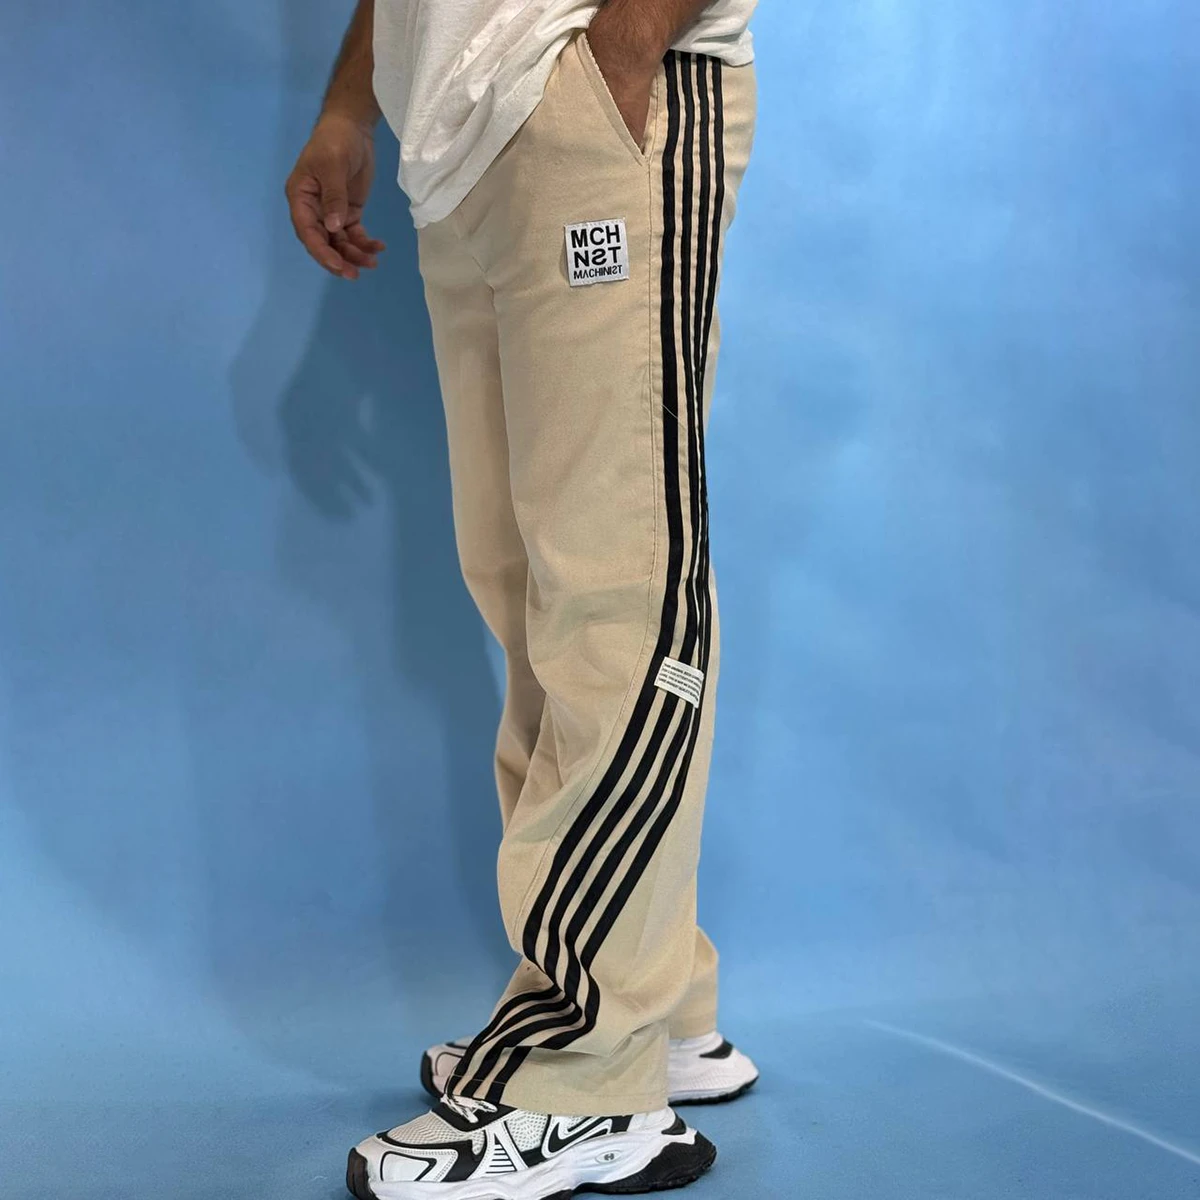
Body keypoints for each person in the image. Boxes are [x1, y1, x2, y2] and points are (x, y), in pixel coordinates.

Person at [285, 2, 759, 1196]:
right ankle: (654, 1009)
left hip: (588, 99)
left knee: (616, 597)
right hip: (460, 145)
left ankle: (585, 1075)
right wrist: (354, 103)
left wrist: (612, 62)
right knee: (531, 597)